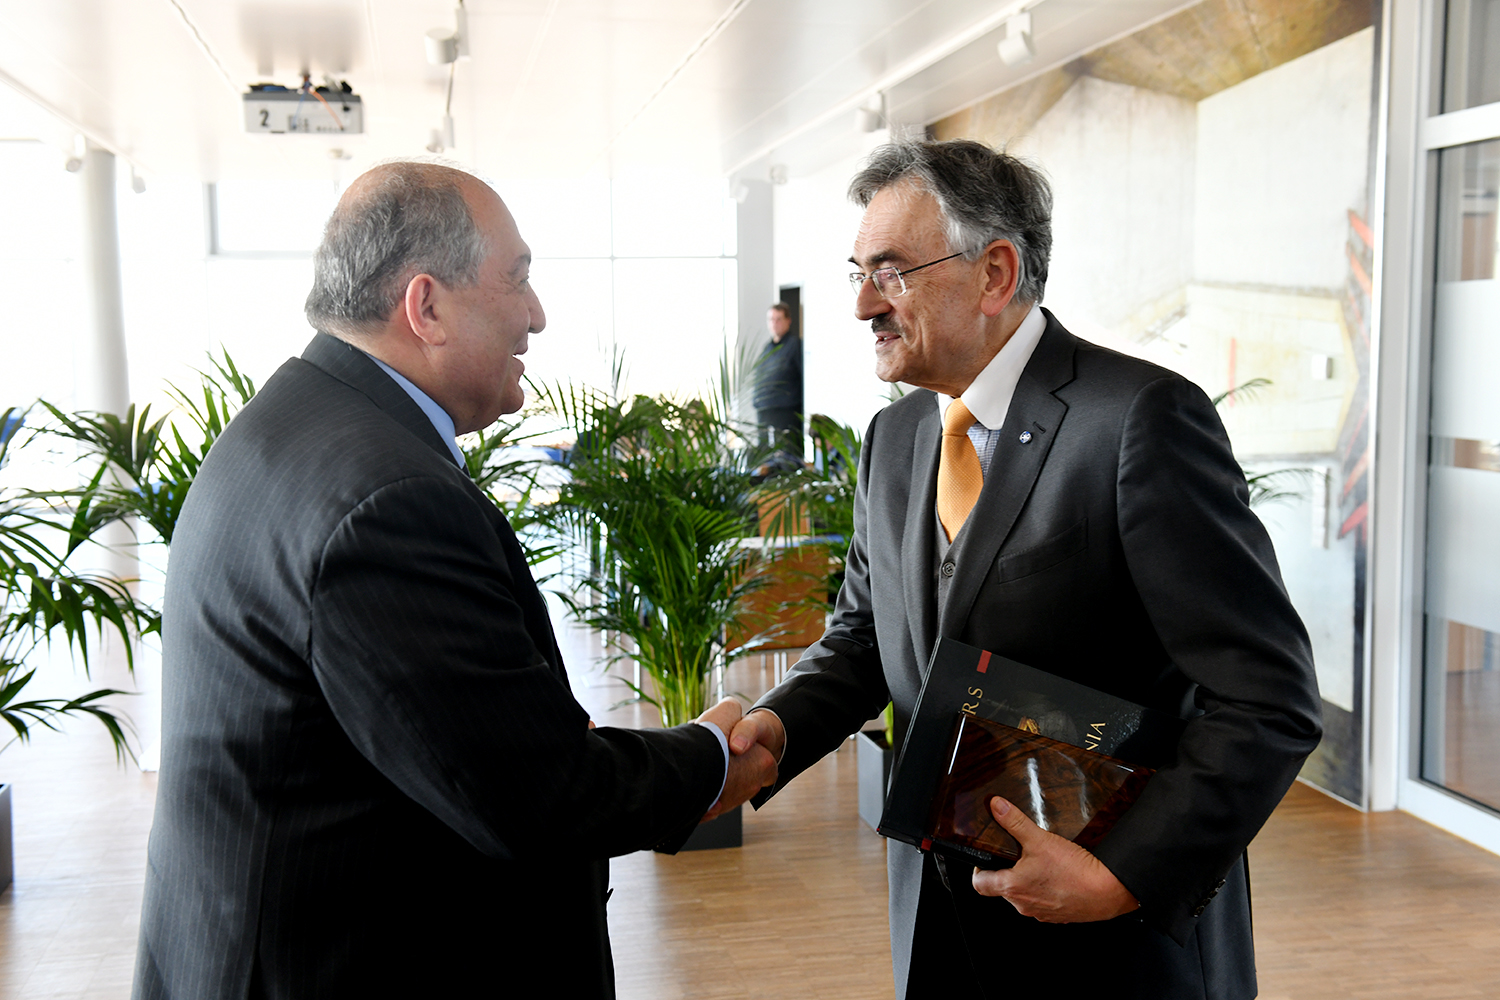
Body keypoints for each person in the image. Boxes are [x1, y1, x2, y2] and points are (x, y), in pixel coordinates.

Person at [132, 162, 776, 999]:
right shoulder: (387, 499)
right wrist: (711, 762)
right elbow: (535, 797)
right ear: (426, 307)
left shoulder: (292, 426)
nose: (536, 314)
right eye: (517, 280)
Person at [724, 139, 1323, 999]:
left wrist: (1120, 874)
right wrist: (771, 731)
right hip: (938, 931)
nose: (861, 304)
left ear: (995, 273)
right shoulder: (897, 438)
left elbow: (1267, 698)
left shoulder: (1140, 420)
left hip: (1113, 952)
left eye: (890, 273)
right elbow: (864, 639)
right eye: (858, 272)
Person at [752, 301, 803, 458]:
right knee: (765, 458)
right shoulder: (767, 348)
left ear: (788, 321)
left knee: (787, 457)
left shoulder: (794, 345)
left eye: (779, 319)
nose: (774, 323)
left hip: (786, 414)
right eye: (771, 319)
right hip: (765, 413)